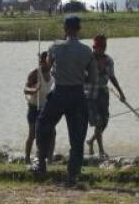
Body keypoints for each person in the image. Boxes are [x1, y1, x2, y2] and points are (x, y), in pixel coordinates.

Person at [33, 15, 97, 186]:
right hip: (78, 95)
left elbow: (46, 69)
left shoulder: (55, 47)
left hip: (60, 93)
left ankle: (41, 162)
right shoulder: (87, 51)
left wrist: (44, 63)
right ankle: (72, 175)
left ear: (65, 29)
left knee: (42, 125)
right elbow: (92, 79)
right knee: (77, 138)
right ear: (79, 29)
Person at [86, 34, 127, 159]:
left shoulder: (109, 60)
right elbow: (83, 76)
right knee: (98, 122)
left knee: (105, 122)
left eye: (103, 47)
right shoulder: (88, 59)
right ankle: (101, 151)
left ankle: (91, 140)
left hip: (103, 93)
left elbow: (112, 77)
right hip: (90, 94)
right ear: (94, 47)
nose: (100, 49)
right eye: (98, 47)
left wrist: (121, 93)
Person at [23, 50, 54, 164]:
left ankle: (49, 159)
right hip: (33, 107)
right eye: (41, 61)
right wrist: (34, 89)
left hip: (45, 108)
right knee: (33, 134)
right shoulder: (35, 73)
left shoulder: (52, 74)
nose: (42, 63)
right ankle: (26, 158)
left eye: (45, 61)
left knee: (52, 133)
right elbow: (25, 89)